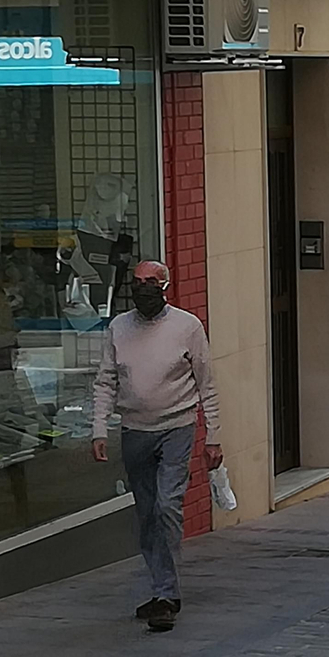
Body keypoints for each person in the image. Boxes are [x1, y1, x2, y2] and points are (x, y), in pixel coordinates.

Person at [91, 261, 222, 633]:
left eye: (151, 282)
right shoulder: (118, 327)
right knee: (146, 512)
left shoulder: (187, 327)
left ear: (166, 285)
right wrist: (99, 428)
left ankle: (166, 591)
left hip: (177, 428)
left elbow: (206, 383)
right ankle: (163, 588)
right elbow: (105, 381)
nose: (143, 287)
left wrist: (213, 435)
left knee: (167, 505)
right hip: (134, 430)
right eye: (137, 282)